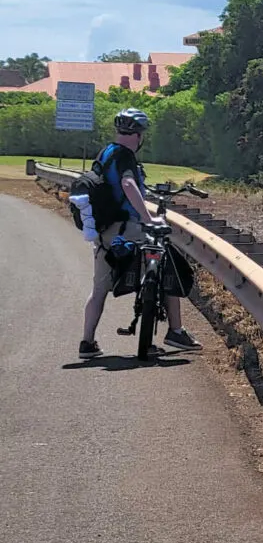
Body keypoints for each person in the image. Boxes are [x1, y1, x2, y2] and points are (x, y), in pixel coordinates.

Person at [79, 107, 203, 359]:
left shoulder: (106, 153)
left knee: (99, 289)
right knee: (166, 263)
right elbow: (127, 184)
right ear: (139, 135)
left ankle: (87, 342)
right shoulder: (125, 157)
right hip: (128, 228)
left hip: (104, 232)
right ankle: (176, 331)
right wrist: (149, 219)